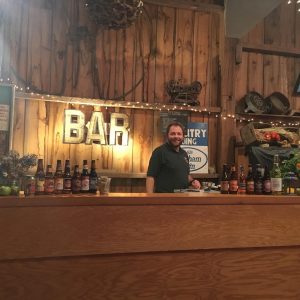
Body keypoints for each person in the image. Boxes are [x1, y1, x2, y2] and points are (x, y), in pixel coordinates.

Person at [146, 121, 201, 193]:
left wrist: (192, 181)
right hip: (164, 199)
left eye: (179, 134)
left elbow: (186, 175)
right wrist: (149, 199)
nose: (176, 136)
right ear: (167, 135)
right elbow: (150, 177)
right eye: (173, 134)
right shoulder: (159, 152)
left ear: (183, 136)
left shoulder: (184, 154)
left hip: (183, 198)